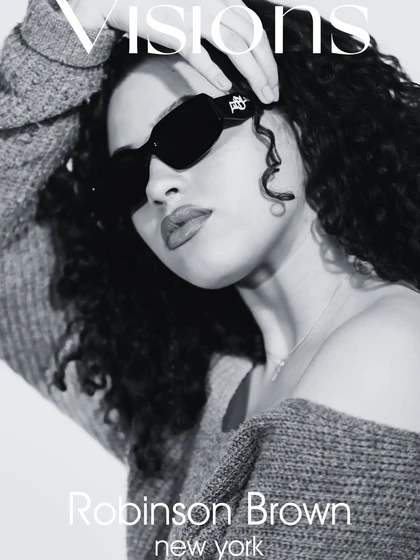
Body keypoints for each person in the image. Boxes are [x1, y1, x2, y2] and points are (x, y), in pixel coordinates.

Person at [1, 0, 420, 558]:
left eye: (188, 131)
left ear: (301, 113)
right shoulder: (201, 396)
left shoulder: (387, 351)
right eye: (127, 176)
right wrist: (81, 18)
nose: (157, 186)